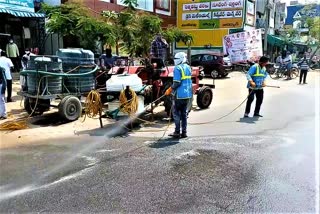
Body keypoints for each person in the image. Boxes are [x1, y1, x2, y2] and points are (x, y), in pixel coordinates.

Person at [164, 52, 192, 138]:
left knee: (176, 114)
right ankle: (184, 132)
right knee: (184, 114)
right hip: (187, 94)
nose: (175, 61)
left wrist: (169, 90)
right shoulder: (188, 67)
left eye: (176, 59)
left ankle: (177, 132)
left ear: (180, 59)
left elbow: (177, 83)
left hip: (179, 95)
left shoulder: (177, 68)